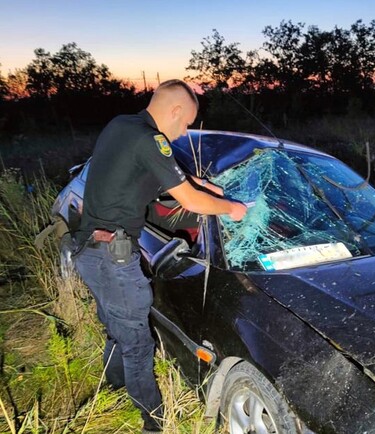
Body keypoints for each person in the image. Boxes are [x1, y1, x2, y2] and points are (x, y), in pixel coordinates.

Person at [73, 79, 247, 433]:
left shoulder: (122, 125)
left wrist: (202, 184)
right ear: (176, 111)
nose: (183, 134)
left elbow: (150, 179)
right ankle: (154, 423)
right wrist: (231, 207)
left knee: (115, 326)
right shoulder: (151, 140)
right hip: (113, 257)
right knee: (138, 344)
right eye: (184, 125)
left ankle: (114, 387)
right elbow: (192, 203)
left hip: (89, 251)